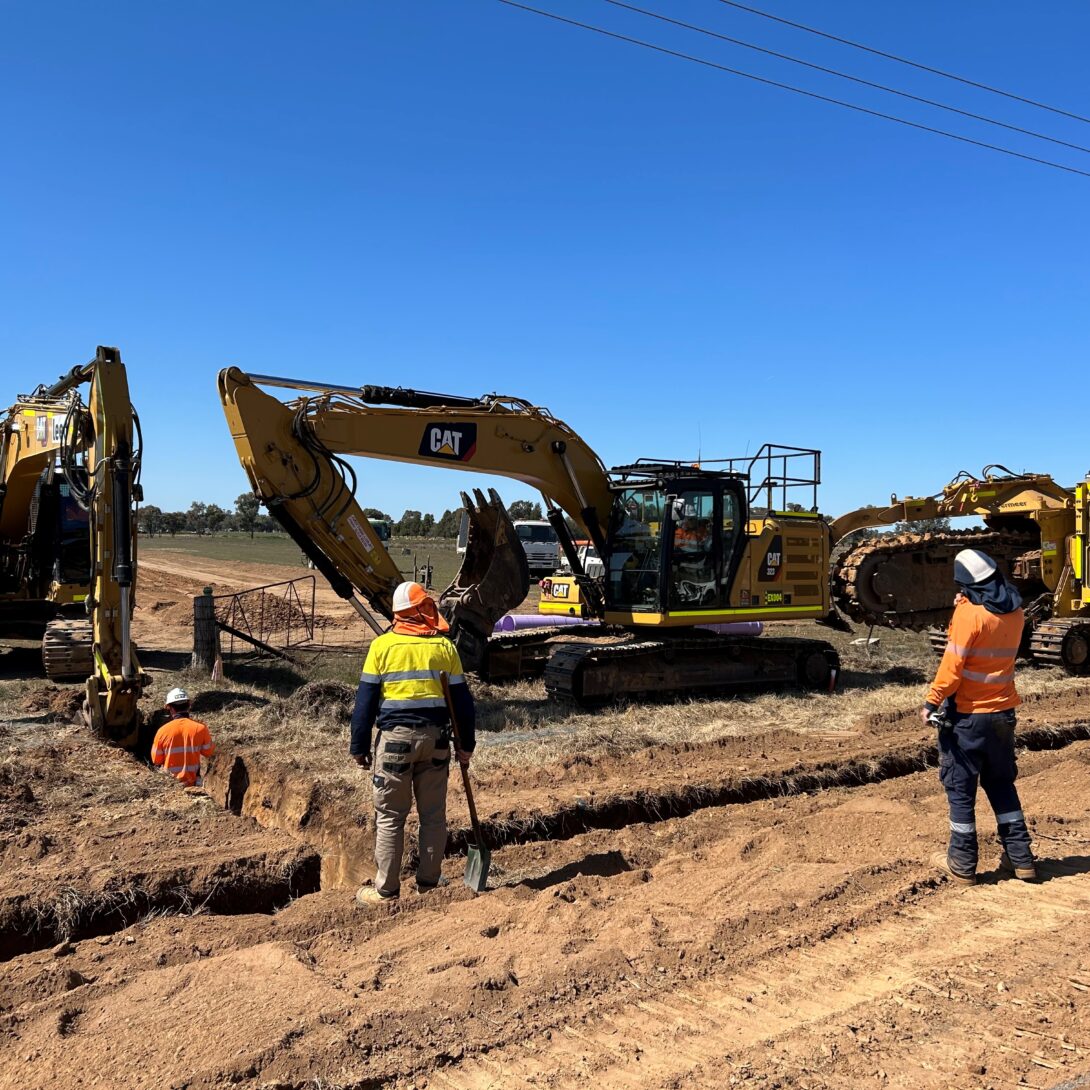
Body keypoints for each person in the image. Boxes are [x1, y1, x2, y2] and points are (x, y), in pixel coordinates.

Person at [350, 581, 475, 903]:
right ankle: (428, 883)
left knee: (390, 816)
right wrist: (466, 745)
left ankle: (386, 891)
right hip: (436, 741)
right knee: (433, 815)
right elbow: (462, 703)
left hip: (395, 742)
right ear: (423, 610)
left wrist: (359, 747)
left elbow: (364, 703)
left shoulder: (382, 647)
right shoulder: (444, 647)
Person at [921, 548, 1035, 885]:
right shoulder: (1016, 612)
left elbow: (952, 667)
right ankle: (1021, 858)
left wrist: (931, 701)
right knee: (1001, 784)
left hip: (968, 717)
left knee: (960, 788)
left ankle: (962, 863)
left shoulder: (969, 615)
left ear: (967, 584)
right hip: (1003, 714)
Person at [151, 687, 215, 787]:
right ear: (188, 705)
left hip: (171, 784)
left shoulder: (162, 731)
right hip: (193, 783)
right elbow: (208, 752)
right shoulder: (201, 728)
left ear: (170, 708)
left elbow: (156, 760)